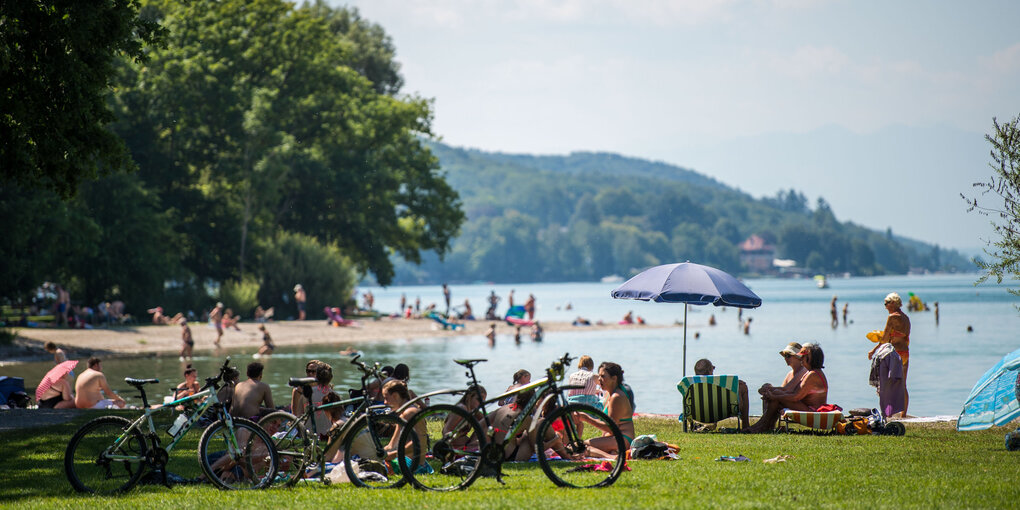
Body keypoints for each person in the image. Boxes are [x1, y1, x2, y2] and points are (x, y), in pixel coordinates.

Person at [745, 343, 828, 433]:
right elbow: (792, 393)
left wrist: (774, 396)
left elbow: (796, 397)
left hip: (813, 411)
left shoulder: (812, 375)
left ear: (810, 359)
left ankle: (762, 426)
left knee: (776, 398)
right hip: (809, 408)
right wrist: (773, 394)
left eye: (803, 357)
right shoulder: (813, 373)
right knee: (776, 397)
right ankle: (764, 426)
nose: (801, 360)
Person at [868, 292, 911, 416]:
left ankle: (888, 413)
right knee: (903, 384)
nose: (885, 306)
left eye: (886, 303)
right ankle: (903, 414)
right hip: (905, 353)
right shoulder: (906, 318)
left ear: (893, 303)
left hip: (894, 354)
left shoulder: (892, 317)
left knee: (887, 384)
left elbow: (885, 338)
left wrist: (874, 350)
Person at [582, 362, 635, 456]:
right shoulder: (608, 394)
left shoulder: (617, 397)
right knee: (576, 446)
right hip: (614, 438)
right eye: (599, 376)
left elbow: (611, 428)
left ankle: (611, 456)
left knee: (579, 447)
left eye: (603, 376)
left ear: (614, 378)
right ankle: (612, 452)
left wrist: (586, 418)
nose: (599, 379)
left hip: (623, 439)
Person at [694, 358, 750, 429]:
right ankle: (746, 425)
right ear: (710, 370)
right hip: (720, 413)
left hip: (697, 414)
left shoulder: (691, 386)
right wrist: (736, 385)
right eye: (713, 368)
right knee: (743, 387)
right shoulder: (719, 385)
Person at [381, 380, 427, 466]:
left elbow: (418, 442)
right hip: (404, 461)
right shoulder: (402, 414)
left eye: (386, 398)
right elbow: (392, 445)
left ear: (395, 396)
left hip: (414, 465)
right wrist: (378, 453)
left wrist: (393, 454)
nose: (385, 402)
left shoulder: (411, 412)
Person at [757, 343, 806, 412]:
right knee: (768, 388)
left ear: (797, 357)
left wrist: (769, 390)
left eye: (788, 355)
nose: (785, 358)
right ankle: (765, 417)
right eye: (785, 356)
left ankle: (766, 420)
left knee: (771, 391)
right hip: (790, 401)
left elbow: (786, 389)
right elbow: (783, 390)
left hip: (800, 404)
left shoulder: (803, 370)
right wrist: (768, 389)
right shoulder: (790, 373)